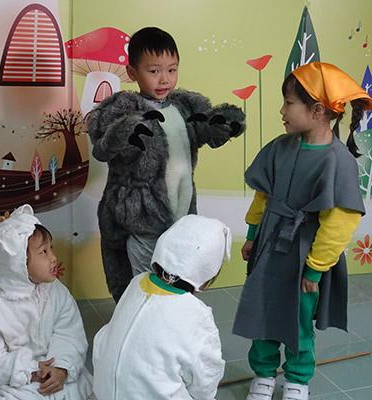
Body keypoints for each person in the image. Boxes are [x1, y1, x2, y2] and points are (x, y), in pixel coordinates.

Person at [233, 62, 372, 400]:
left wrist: (314, 268)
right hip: (270, 244)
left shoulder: (338, 160)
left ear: (317, 110)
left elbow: (339, 222)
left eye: (289, 103)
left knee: (299, 317)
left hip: (305, 253)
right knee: (263, 309)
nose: (282, 110)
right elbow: (263, 194)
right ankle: (264, 373)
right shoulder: (280, 147)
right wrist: (252, 235)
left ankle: (297, 378)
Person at [87, 26, 245, 302]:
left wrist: (224, 124)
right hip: (141, 219)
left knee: (178, 284)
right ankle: (139, 324)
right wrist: (127, 130)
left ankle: (171, 325)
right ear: (133, 72)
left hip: (181, 216)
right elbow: (102, 147)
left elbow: (207, 132)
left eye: (172, 70)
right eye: (154, 71)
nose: (164, 79)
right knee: (143, 288)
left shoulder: (186, 106)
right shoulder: (123, 108)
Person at [92, 214, 231, 400]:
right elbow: (205, 378)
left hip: (104, 392)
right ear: (207, 276)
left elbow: (104, 338)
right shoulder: (196, 316)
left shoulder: (136, 283)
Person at [0, 204, 94, 400]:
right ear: (17, 263)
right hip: (12, 378)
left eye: (51, 248)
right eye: (43, 252)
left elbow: (69, 333)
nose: (53, 258)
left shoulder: (56, 291)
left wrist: (62, 368)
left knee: (82, 387)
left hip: (53, 368)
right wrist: (30, 370)